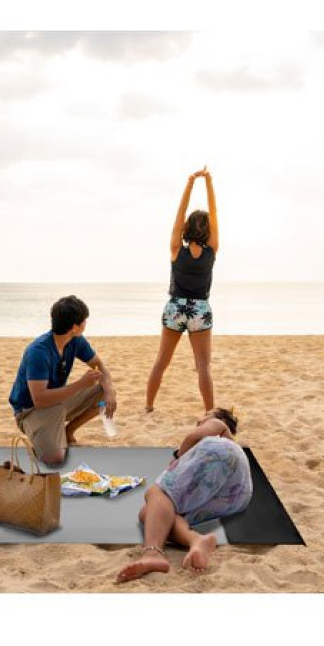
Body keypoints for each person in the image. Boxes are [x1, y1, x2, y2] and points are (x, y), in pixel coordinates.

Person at [116, 407, 250, 583]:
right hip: (238, 495)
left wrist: (178, 457)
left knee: (158, 492)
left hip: (220, 453)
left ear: (222, 420)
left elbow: (192, 437)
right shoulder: (233, 447)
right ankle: (196, 540)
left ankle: (153, 553)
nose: (199, 421)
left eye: (206, 416)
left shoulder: (218, 426)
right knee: (148, 513)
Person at [8, 295, 117, 466]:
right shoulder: (38, 351)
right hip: (31, 410)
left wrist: (110, 392)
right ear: (74, 327)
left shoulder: (75, 340)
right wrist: (81, 384)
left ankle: (68, 431)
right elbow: (39, 399)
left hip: (57, 402)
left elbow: (100, 366)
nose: (86, 323)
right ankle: (40, 432)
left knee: (104, 392)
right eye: (84, 321)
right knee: (55, 458)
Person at [145, 166, 220, 413]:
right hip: (200, 310)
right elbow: (214, 212)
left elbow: (180, 214)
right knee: (203, 367)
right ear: (208, 230)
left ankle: (148, 406)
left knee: (161, 362)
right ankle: (209, 413)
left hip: (175, 308)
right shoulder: (212, 250)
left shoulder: (176, 249)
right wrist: (208, 181)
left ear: (186, 228)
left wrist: (190, 183)